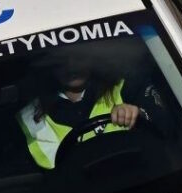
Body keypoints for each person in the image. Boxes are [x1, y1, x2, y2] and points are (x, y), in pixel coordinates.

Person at [16, 45, 172, 171]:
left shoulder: (126, 86)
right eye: (61, 61)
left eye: (79, 56)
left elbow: (169, 130)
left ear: (91, 57)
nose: (71, 66)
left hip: (141, 182)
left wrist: (139, 115)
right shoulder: (29, 117)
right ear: (50, 66)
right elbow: (27, 183)